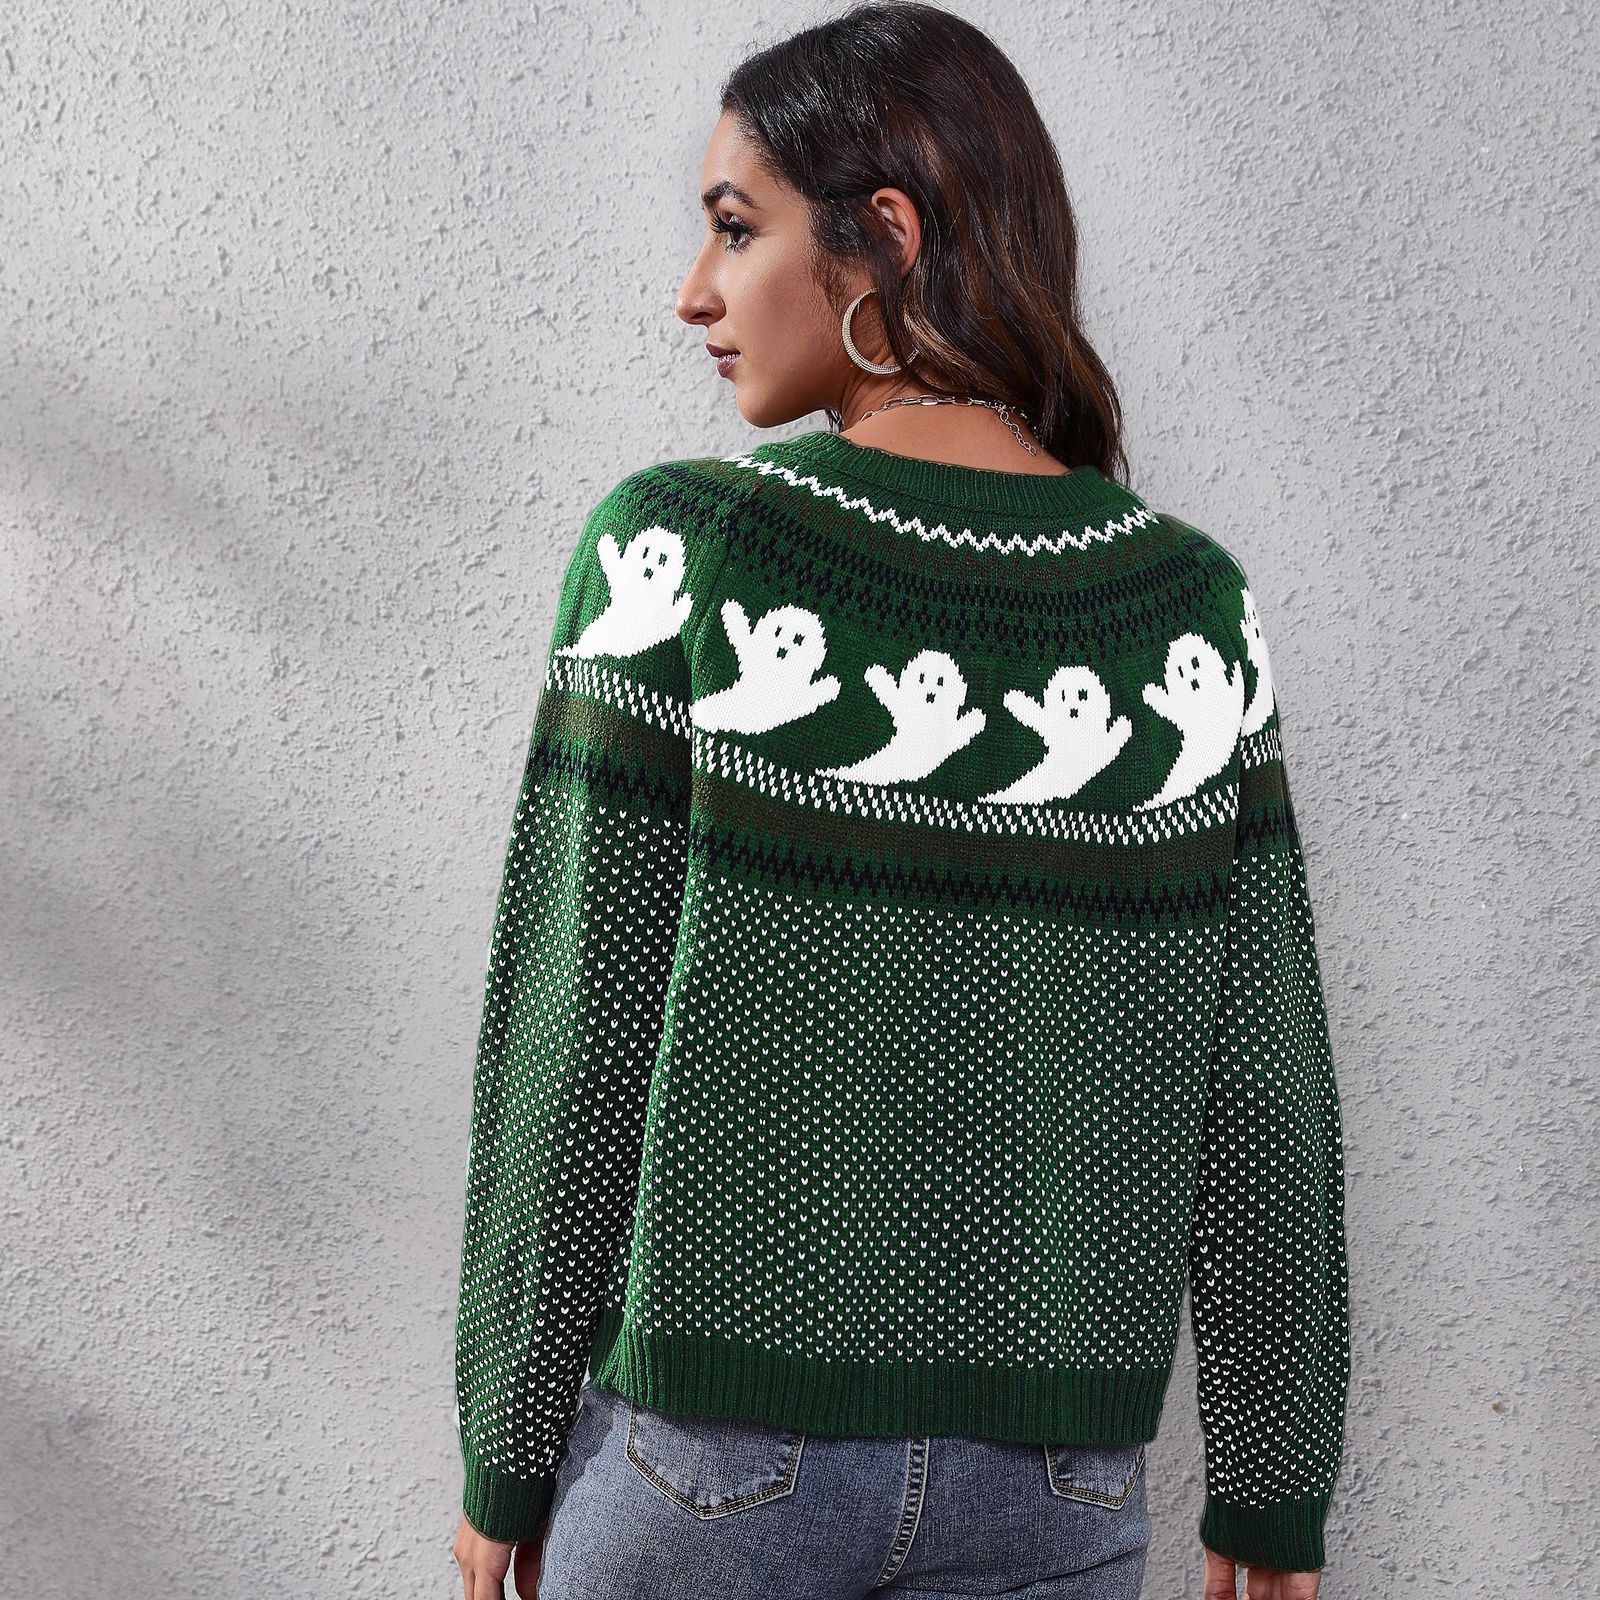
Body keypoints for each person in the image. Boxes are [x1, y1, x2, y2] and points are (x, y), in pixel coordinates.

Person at [450, 5, 1351, 1598]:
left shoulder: (685, 554)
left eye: (737, 228)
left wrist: (507, 1443)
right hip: (1057, 1495)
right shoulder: (1187, 608)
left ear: (886, 236)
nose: (695, 290)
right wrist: (1272, 1485)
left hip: (712, 1469)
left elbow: (573, 1038)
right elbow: (1260, 1084)